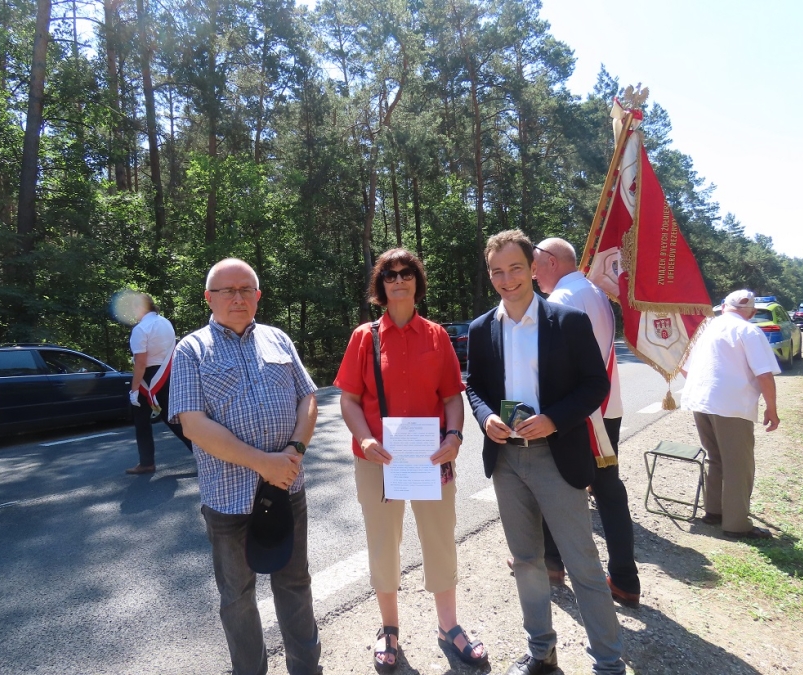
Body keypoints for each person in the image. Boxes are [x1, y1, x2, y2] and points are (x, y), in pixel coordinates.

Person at [465, 231, 626, 675]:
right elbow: (474, 387)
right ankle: (542, 653)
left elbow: (595, 385)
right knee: (527, 563)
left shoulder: (567, 321)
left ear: (533, 268)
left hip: (557, 456)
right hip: (507, 461)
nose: (507, 279)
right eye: (497, 271)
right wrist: (485, 417)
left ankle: (608, 663)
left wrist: (555, 419)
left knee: (582, 563)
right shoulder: (481, 329)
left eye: (515, 268)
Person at [334, 249, 487, 672]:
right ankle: (389, 628)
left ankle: (449, 626)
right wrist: (364, 439)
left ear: (417, 281)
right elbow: (348, 400)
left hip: (430, 457)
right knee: (384, 544)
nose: (398, 279)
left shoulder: (437, 336)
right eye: (389, 274)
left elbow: (452, 397)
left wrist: (455, 436)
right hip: (377, 460)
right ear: (380, 285)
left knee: (439, 539)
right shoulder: (364, 337)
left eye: (406, 273)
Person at [169, 258, 321, 675]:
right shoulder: (191, 350)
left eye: (246, 289)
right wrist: (264, 463)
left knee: (295, 584)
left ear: (257, 295)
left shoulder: (278, 339)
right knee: (237, 598)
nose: (238, 298)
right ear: (209, 298)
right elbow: (193, 424)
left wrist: (293, 451)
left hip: (288, 489)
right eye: (227, 290)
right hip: (228, 500)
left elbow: (308, 398)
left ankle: (307, 670)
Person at [531, 237, 641, 607]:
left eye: (535, 265)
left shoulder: (563, 299)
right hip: (606, 408)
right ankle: (624, 578)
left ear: (551, 261)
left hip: (578, 414)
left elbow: (553, 365)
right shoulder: (595, 292)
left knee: (552, 484)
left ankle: (552, 565)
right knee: (609, 491)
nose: (533, 274)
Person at [681, 289, 780, 539]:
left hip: (701, 400)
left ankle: (714, 511)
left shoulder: (705, 328)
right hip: (731, 404)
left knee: (715, 457)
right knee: (738, 464)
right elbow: (764, 374)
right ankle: (736, 524)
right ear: (752, 312)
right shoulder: (749, 331)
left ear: (723, 307)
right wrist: (772, 408)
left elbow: (684, 366)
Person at [125, 293, 192, 474]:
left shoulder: (140, 329)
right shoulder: (165, 323)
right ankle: (204, 454)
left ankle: (147, 462)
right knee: (174, 420)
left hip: (148, 377)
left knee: (142, 422)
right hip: (167, 373)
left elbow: (140, 363)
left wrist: (134, 390)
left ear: (140, 307)